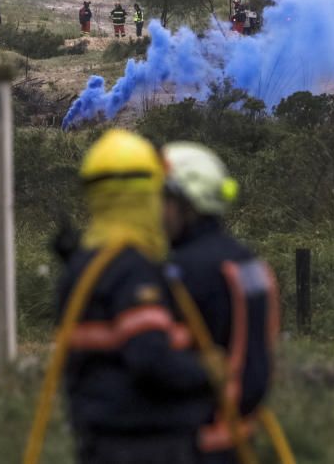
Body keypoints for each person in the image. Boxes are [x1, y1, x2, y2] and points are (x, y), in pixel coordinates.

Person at [56, 129, 215, 464]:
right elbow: (150, 358)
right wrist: (206, 372)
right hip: (147, 442)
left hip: (97, 435)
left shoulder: (83, 265)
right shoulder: (133, 270)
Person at [161, 142, 280, 464]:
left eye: (165, 200)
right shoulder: (249, 262)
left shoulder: (187, 270)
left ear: (189, 202)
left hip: (194, 441)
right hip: (241, 433)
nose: (157, 211)